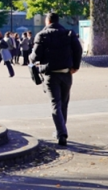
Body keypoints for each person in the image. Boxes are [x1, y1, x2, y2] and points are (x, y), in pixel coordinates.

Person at [30, 12, 82, 147]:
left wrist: (32, 58)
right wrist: (75, 66)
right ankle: (61, 130)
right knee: (64, 103)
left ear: (47, 21)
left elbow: (35, 57)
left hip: (50, 73)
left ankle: (61, 133)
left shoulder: (42, 35)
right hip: (66, 72)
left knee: (55, 104)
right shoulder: (69, 34)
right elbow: (78, 50)